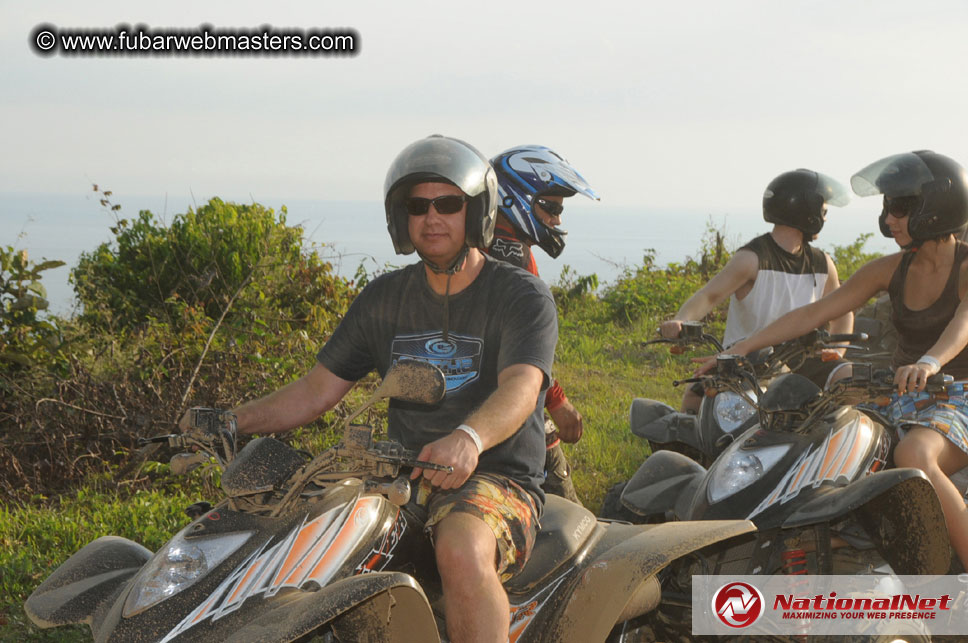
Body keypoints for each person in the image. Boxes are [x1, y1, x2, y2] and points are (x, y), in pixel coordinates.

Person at [181, 135, 558, 643]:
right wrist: (231, 420)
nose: (431, 217)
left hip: (494, 477)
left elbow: (521, 387)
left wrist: (469, 438)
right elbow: (315, 390)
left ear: (477, 212)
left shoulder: (519, 294)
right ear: (400, 218)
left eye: (448, 204)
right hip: (395, 474)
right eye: (417, 206)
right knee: (287, 534)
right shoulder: (384, 298)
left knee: (461, 549)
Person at [702, 150, 968, 568]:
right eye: (887, 207)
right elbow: (813, 313)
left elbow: (964, 321)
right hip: (899, 391)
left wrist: (931, 362)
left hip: (957, 395)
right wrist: (741, 348)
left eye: (900, 207)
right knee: (825, 435)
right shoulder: (890, 269)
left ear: (936, 208)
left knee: (915, 455)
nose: (889, 219)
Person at [659, 169, 854, 412]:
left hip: (800, 358)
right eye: (823, 210)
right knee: (695, 398)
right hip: (746, 358)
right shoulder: (751, 259)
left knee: (846, 375)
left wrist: (836, 351)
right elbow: (709, 295)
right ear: (808, 212)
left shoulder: (822, 263)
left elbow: (843, 311)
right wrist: (681, 320)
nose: (825, 217)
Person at [487, 144, 599, 505]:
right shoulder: (514, 261)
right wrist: (558, 402)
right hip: (515, 406)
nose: (557, 220)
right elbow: (521, 346)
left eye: (560, 209)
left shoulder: (485, 244)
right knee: (569, 523)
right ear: (514, 198)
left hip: (485, 403)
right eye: (550, 207)